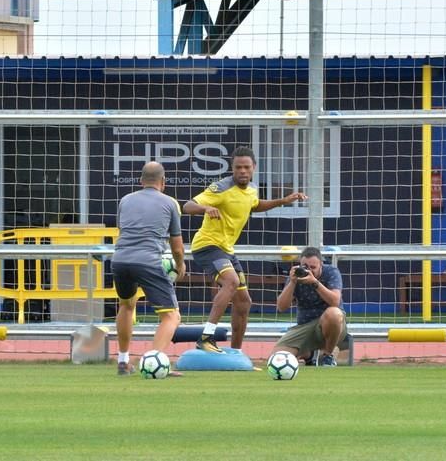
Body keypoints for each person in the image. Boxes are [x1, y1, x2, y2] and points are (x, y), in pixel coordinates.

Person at [183, 146, 308, 353]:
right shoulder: (220, 188)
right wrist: (205, 208)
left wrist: (283, 201)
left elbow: (255, 205)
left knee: (244, 302)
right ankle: (205, 338)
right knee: (231, 282)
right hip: (207, 245)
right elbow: (187, 206)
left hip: (226, 250)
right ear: (232, 168)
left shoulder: (251, 189)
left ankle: (235, 352)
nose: (242, 171)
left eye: (246, 167)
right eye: (238, 167)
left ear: (254, 168)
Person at [112, 161, 186, 375]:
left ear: (140, 181)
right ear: (163, 182)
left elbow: (122, 230)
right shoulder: (170, 203)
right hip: (148, 261)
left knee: (126, 305)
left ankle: (123, 361)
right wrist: (179, 265)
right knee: (172, 316)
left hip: (121, 260)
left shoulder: (125, 200)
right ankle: (154, 362)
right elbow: (178, 247)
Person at [271, 246, 346, 367]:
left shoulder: (331, 272)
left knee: (334, 314)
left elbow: (335, 301)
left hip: (330, 324)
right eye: (305, 267)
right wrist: (292, 282)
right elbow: (281, 307)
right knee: (277, 357)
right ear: (300, 264)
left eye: (313, 267)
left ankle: (328, 356)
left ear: (321, 264)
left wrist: (315, 283)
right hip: (305, 326)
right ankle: (309, 355)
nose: (309, 271)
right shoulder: (296, 276)